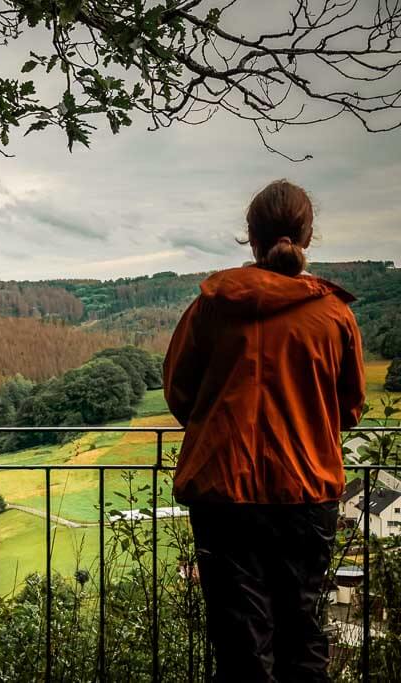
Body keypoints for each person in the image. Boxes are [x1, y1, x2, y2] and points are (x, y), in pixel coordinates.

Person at [164, 179, 366, 682]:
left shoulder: (211, 307)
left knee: (240, 641)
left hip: (224, 492)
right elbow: (350, 408)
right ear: (308, 236)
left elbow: (178, 391)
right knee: (303, 630)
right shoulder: (335, 316)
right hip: (307, 491)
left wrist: (220, 425)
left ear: (250, 238)